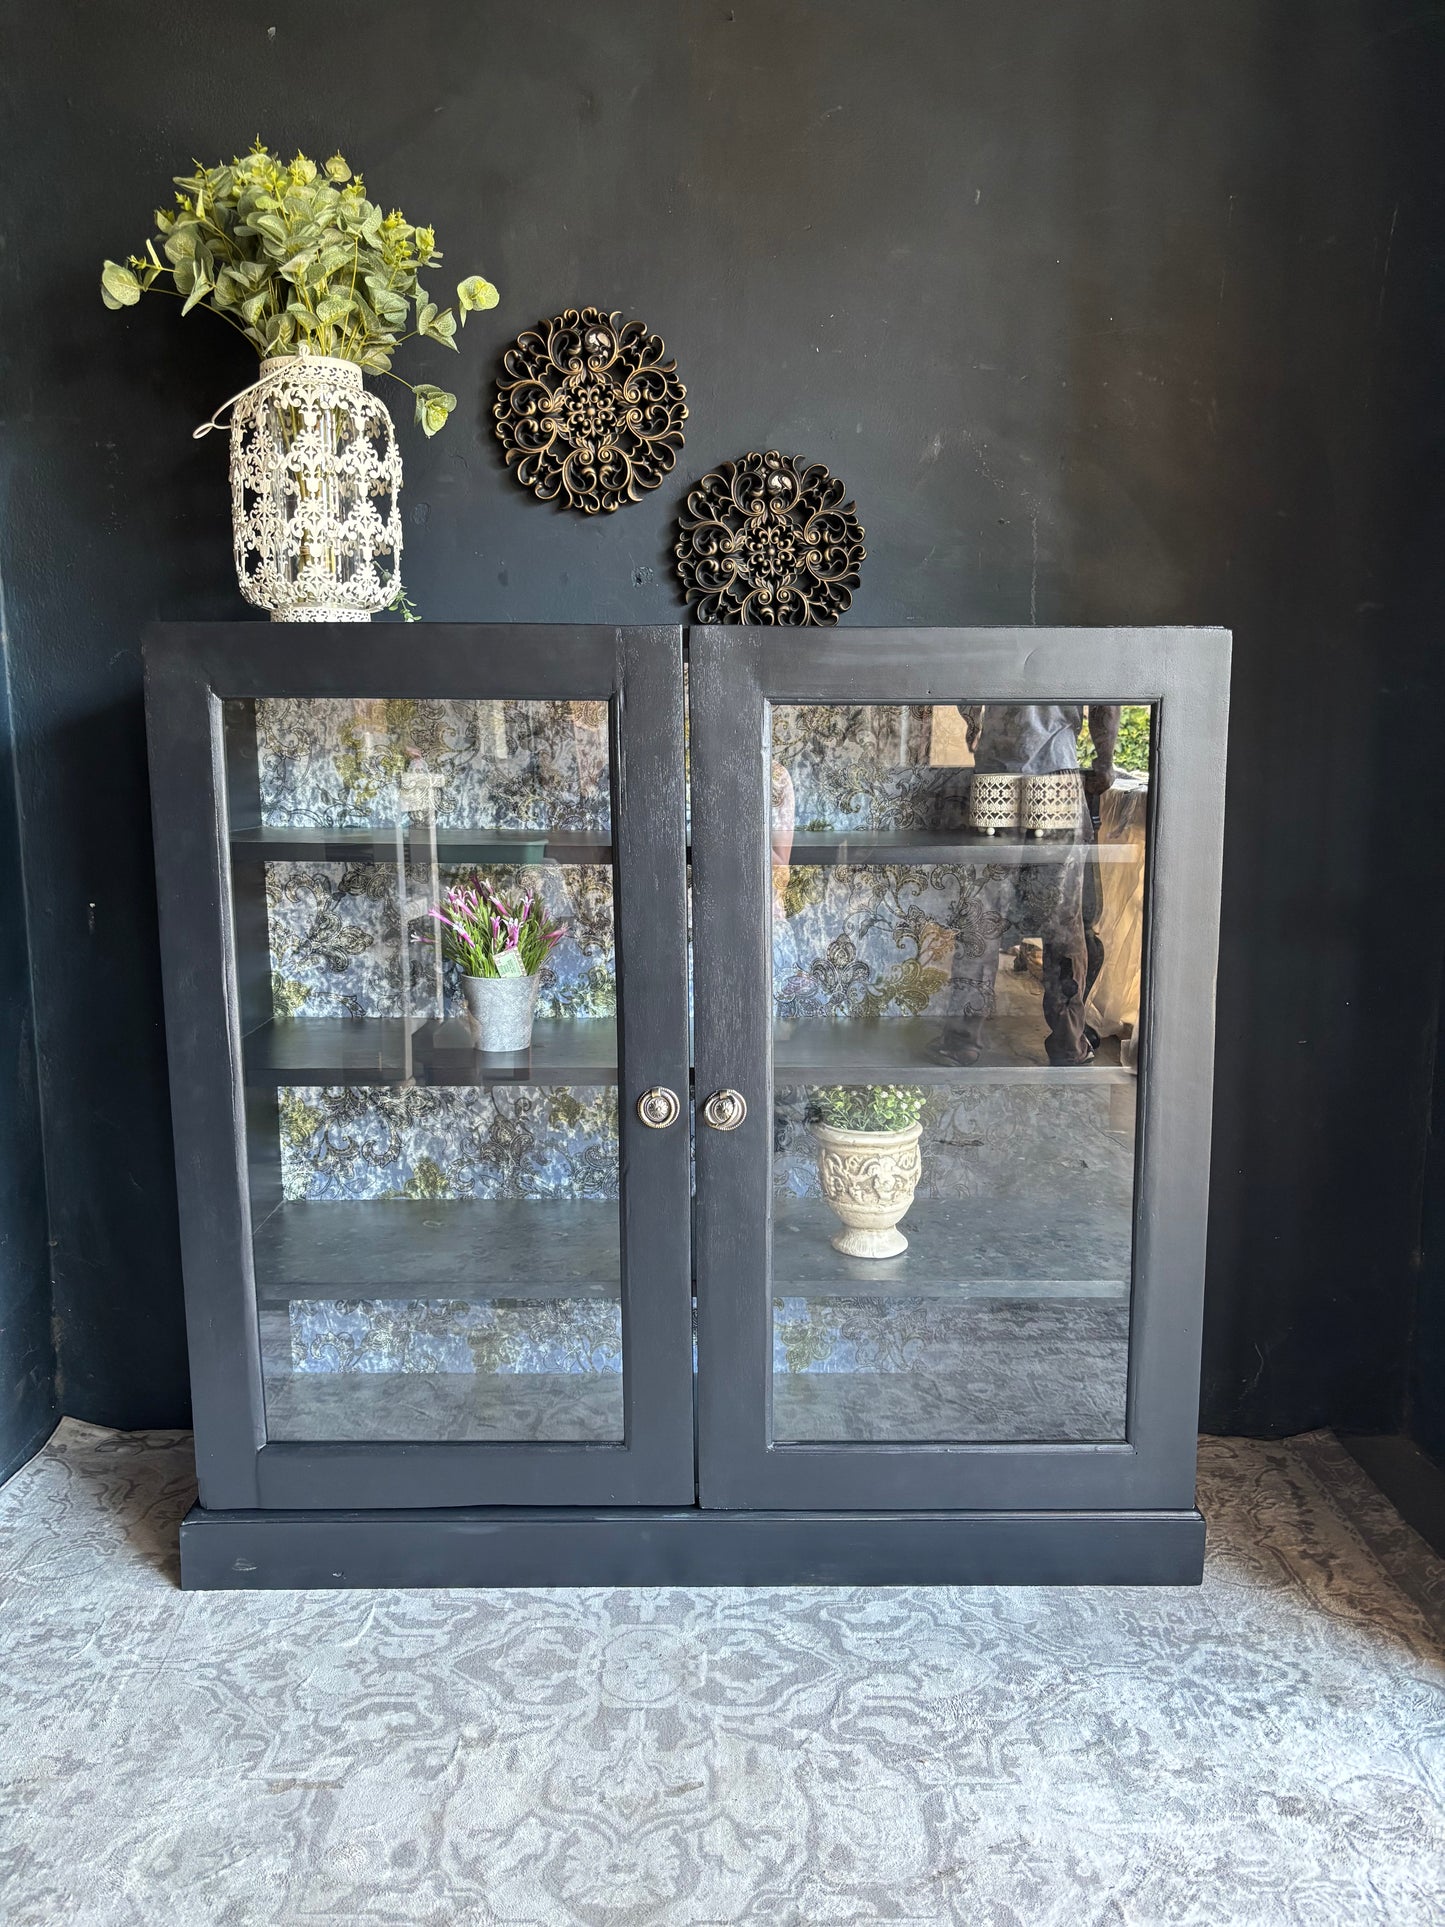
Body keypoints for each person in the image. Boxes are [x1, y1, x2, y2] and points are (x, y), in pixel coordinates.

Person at [937, 704, 1119, 1067]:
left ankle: (962, 1040)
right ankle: (1069, 1042)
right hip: (1057, 773)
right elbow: (1106, 704)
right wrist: (1104, 760)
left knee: (982, 911)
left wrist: (974, 725)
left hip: (995, 775)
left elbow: (970, 690)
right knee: (1063, 919)